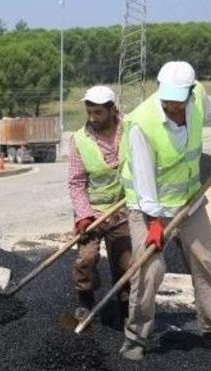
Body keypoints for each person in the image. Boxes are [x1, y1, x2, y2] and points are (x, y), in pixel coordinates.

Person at [119, 61, 211, 361]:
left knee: (205, 262)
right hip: (149, 207)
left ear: (189, 91)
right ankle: (135, 337)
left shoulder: (196, 96)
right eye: (167, 100)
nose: (172, 106)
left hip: (189, 201)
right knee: (149, 271)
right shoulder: (141, 122)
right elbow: (144, 180)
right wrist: (154, 223)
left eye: (178, 101)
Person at [68, 85, 131, 329]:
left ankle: (125, 310)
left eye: (98, 113)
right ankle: (86, 302)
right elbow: (76, 183)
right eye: (89, 112)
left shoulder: (129, 130)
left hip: (123, 211)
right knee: (86, 258)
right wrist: (83, 216)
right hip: (92, 211)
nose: (93, 118)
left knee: (127, 264)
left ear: (112, 110)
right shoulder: (79, 140)